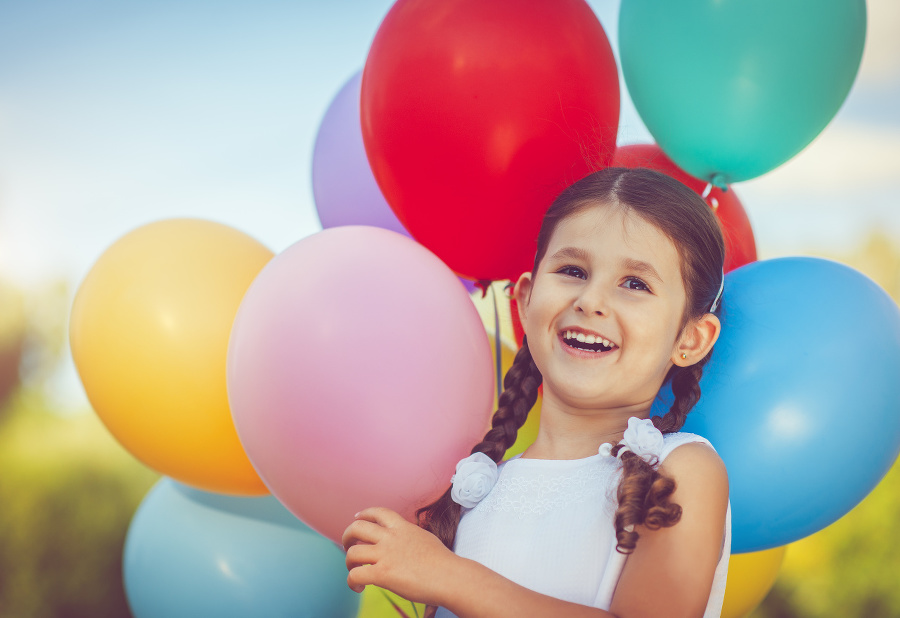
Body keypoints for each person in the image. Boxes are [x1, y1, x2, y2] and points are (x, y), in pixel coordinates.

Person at [342, 167, 731, 618]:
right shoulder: (475, 492)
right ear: (525, 302)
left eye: (635, 284)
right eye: (572, 270)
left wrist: (448, 576)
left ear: (691, 339)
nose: (591, 300)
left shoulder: (681, 469)